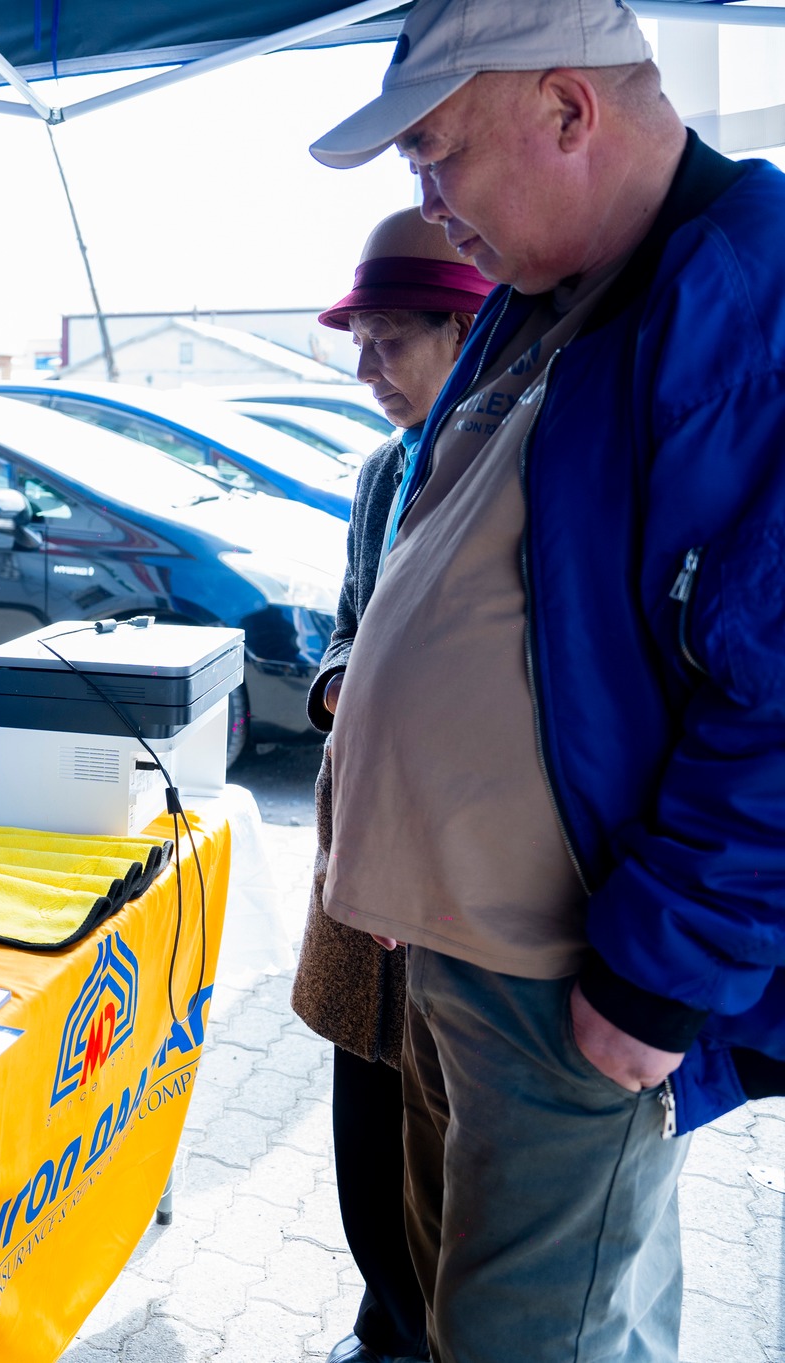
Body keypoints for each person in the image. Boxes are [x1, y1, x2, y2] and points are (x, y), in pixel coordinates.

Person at [309, 0, 785, 1358]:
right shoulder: (552, 294)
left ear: (568, 110)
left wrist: (658, 973)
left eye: (437, 154)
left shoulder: (742, 293)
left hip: (569, 975)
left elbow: (775, 688)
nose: (430, 202)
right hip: (465, 953)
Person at [291, 207, 492, 1363]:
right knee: (361, 1108)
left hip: (453, 870)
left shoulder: (513, 459)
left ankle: (419, 1329)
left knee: (445, 1130)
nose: (367, 369)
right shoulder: (378, 472)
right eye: (358, 345)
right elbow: (345, 625)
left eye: (390, 342)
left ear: (464, 333)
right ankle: (382, 1320)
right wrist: (337, 682)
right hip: (357, 850)